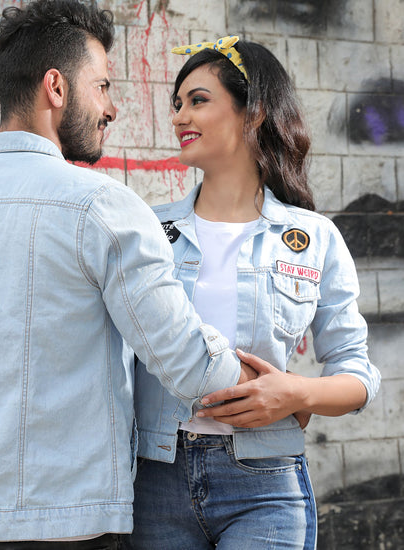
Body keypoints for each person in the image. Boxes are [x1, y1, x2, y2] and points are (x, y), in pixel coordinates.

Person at [0, 5, 260, 549]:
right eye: (102, 85)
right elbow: (184, 357)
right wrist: (278, 393)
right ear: (56, 87)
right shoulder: (102, 209)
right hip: (62, 525)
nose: (112, 107)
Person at [124, 36, 381, 550]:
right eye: (177, 104)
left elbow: (357, 374)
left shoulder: (313, 238)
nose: (179, 117)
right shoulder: (147, 232)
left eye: (198, 100)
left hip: (266, 484)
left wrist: (297, 392)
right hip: (156, 482)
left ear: (253, 114)